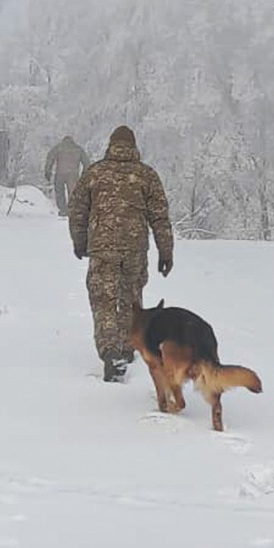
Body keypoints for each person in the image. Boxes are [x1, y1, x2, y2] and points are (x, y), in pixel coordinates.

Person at [69, 125, 174, 382]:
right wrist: (165, 252)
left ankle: (110, 352)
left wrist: (80, 242)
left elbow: (77, 210)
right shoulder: (146, 175)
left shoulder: (95, 173)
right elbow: (160, 217)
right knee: (131, 299)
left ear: (110, 145)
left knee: (104, 301)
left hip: (102, 248)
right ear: (134, 146)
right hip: (135, 250)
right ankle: (128, 347)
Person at [44, 135, 90, 217]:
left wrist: (48, 171)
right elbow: (86, 162)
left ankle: (63, 210)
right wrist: (84, 174)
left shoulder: (58, 148)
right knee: (73, 192)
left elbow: (50, 158)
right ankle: (72, 209)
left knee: (59, 191)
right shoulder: (78, 149)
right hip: (73, 174)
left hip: (60, 173)